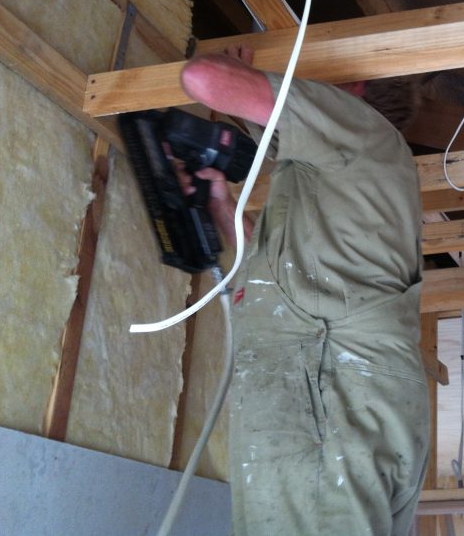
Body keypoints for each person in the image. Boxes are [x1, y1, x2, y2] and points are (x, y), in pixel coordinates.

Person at [178, 45, 429, 536]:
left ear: (350, 89)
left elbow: (204, 77)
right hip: (340, 396)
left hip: (332, 395)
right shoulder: (350, 163)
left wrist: (241, 71)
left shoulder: (357, 130)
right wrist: (221, 206)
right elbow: (281, 270)